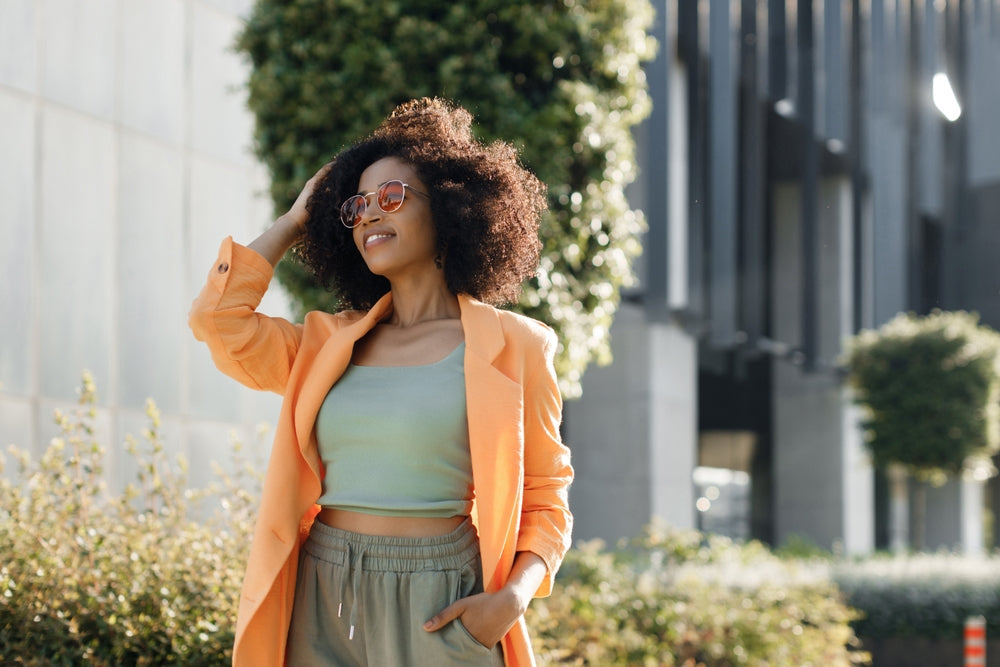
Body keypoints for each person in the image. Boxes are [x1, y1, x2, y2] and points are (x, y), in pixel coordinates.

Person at [189, 97, 573, 667]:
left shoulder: (517, 346)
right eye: (356, 206)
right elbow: (218, 321)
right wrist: (295, 222)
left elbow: (546, 498)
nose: (370, 214)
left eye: (392, 197)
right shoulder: (324, 344)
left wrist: (511, 600)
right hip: (321, 590)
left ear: (449, 210)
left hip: (442, 596)